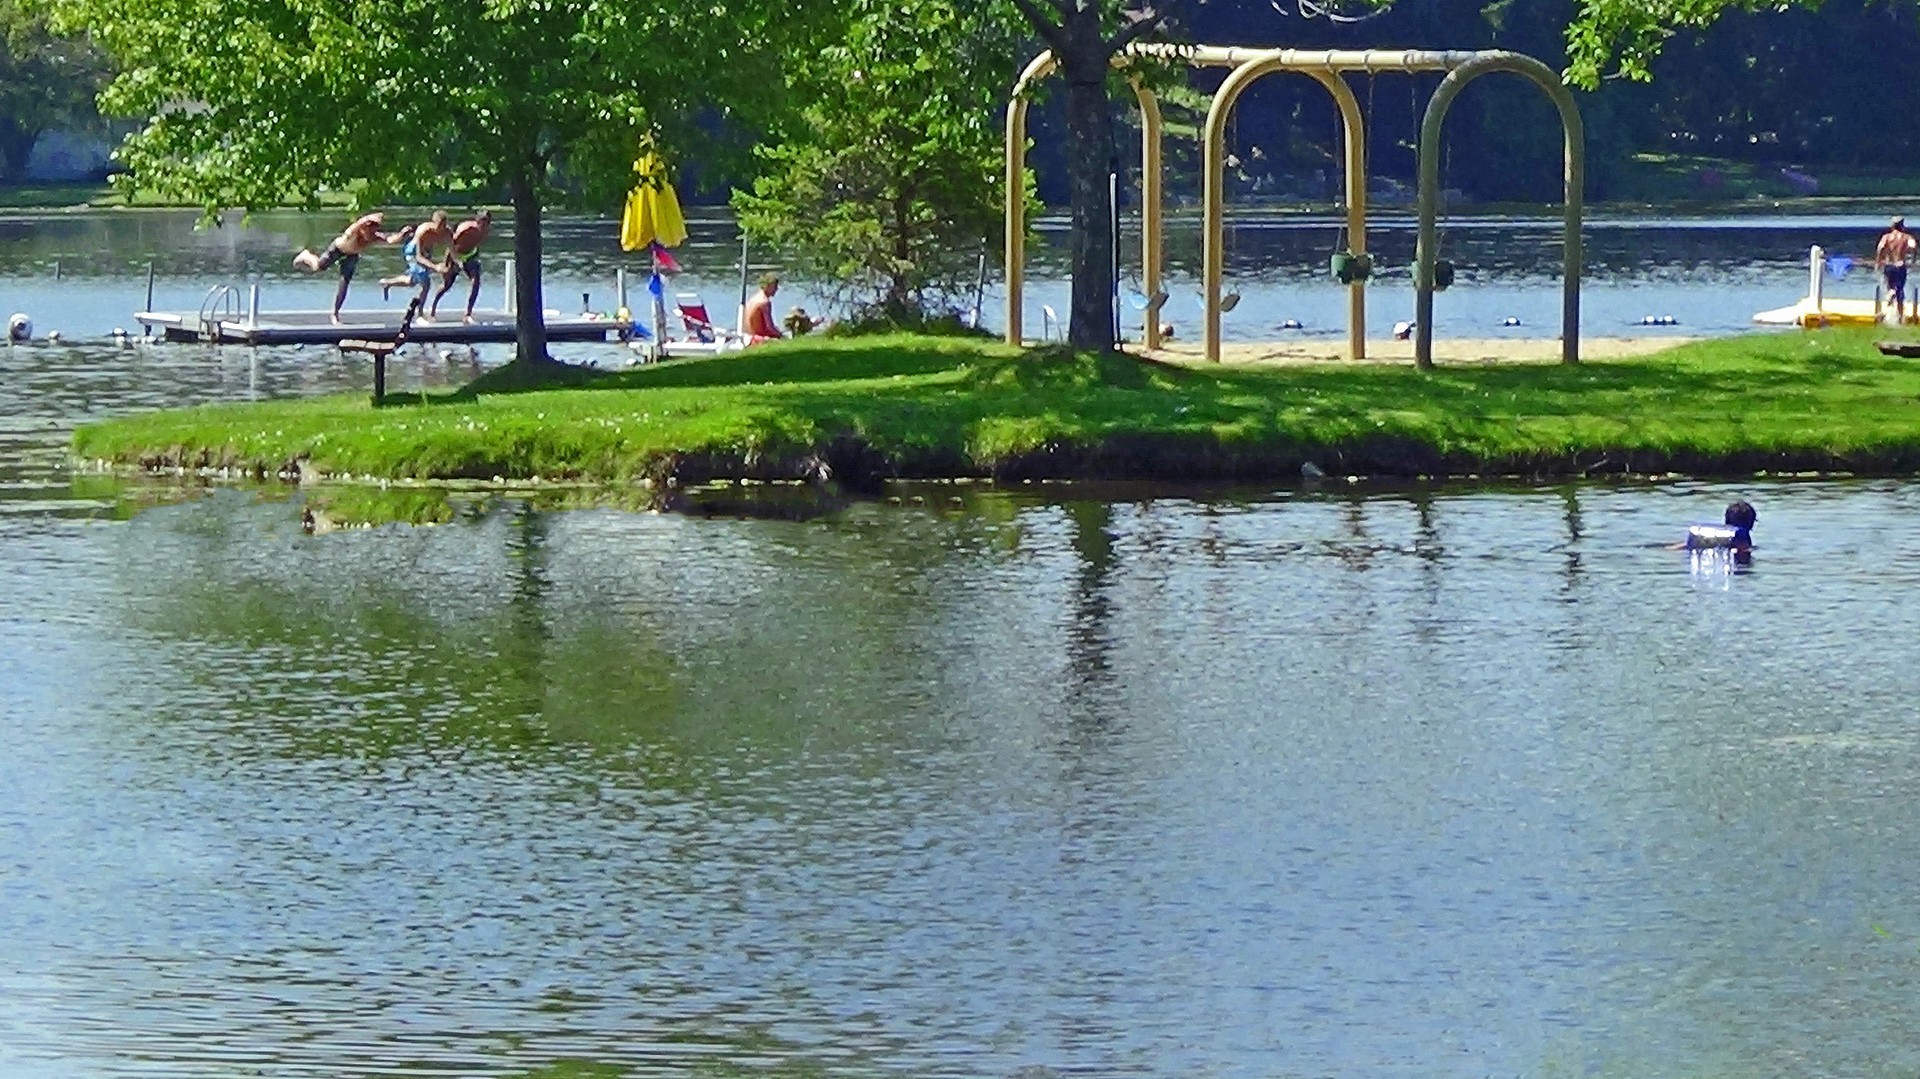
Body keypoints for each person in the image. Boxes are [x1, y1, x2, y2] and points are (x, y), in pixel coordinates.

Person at [293, 212, 411, 323]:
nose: (371, 234)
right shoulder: (354, 231)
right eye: (370, 230)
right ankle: (306, 255)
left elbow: (389, 240)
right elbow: (359, 222)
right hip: (338, 249)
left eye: (374, 231)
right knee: (318, 267)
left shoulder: (374, 237)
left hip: (352, 255)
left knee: (344, 283)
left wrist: (401, 234)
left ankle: (335, 313)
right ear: (365, 227)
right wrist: (370, 218)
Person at [379, 211, 454, 307]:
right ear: (433, 223)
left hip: (426, 251)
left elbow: (453, 252)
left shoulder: (447, 232)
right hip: (413, 252)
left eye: (444, 225)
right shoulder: (423, 231)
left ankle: (387, 283)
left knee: (412, 281)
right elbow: (419, 257)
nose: (441, 229)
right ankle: (420, 313)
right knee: (426, 283)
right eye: (439, 226)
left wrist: (453, 265)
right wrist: (435, 267)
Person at [431, 210, 492, 322]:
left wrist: (475, 258)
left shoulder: (486, 231)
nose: (483, 227)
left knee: (476, 281)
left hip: (470, 256)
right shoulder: (466, 228)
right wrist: (446, 264)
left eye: (486, 224)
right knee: (447, 285)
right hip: (456, 255)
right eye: (481, 223)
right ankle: (432, 310)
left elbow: (476, 244)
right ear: (477, 221)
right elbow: (451, 245)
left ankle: (468, 314)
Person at [1875, 217, 1916, 324]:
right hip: (1900, 265)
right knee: (1900, 291)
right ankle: (1900, 317)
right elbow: (1913, 247)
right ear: (1902, 225)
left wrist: (1878, 261)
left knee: (1890, 286)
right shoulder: (1906, 237)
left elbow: (1880, 248)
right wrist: (1913, 259)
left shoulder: (1887, 237)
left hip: (1889, 265)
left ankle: (1890, 293)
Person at [1679, 500, 1757, 552]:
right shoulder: (1742, 538)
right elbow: (1743, 549)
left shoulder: (1709, 535)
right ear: (1751, 523)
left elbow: (1687, 545)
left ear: (1726, 520)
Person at [744, 274, 782, 343]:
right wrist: (781, 335)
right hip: (759, 339)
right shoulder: (765, 302)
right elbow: (769, 327)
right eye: (774, 286)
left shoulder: (752, 299)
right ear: (767, 286)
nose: (776, 289)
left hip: (749, 337)